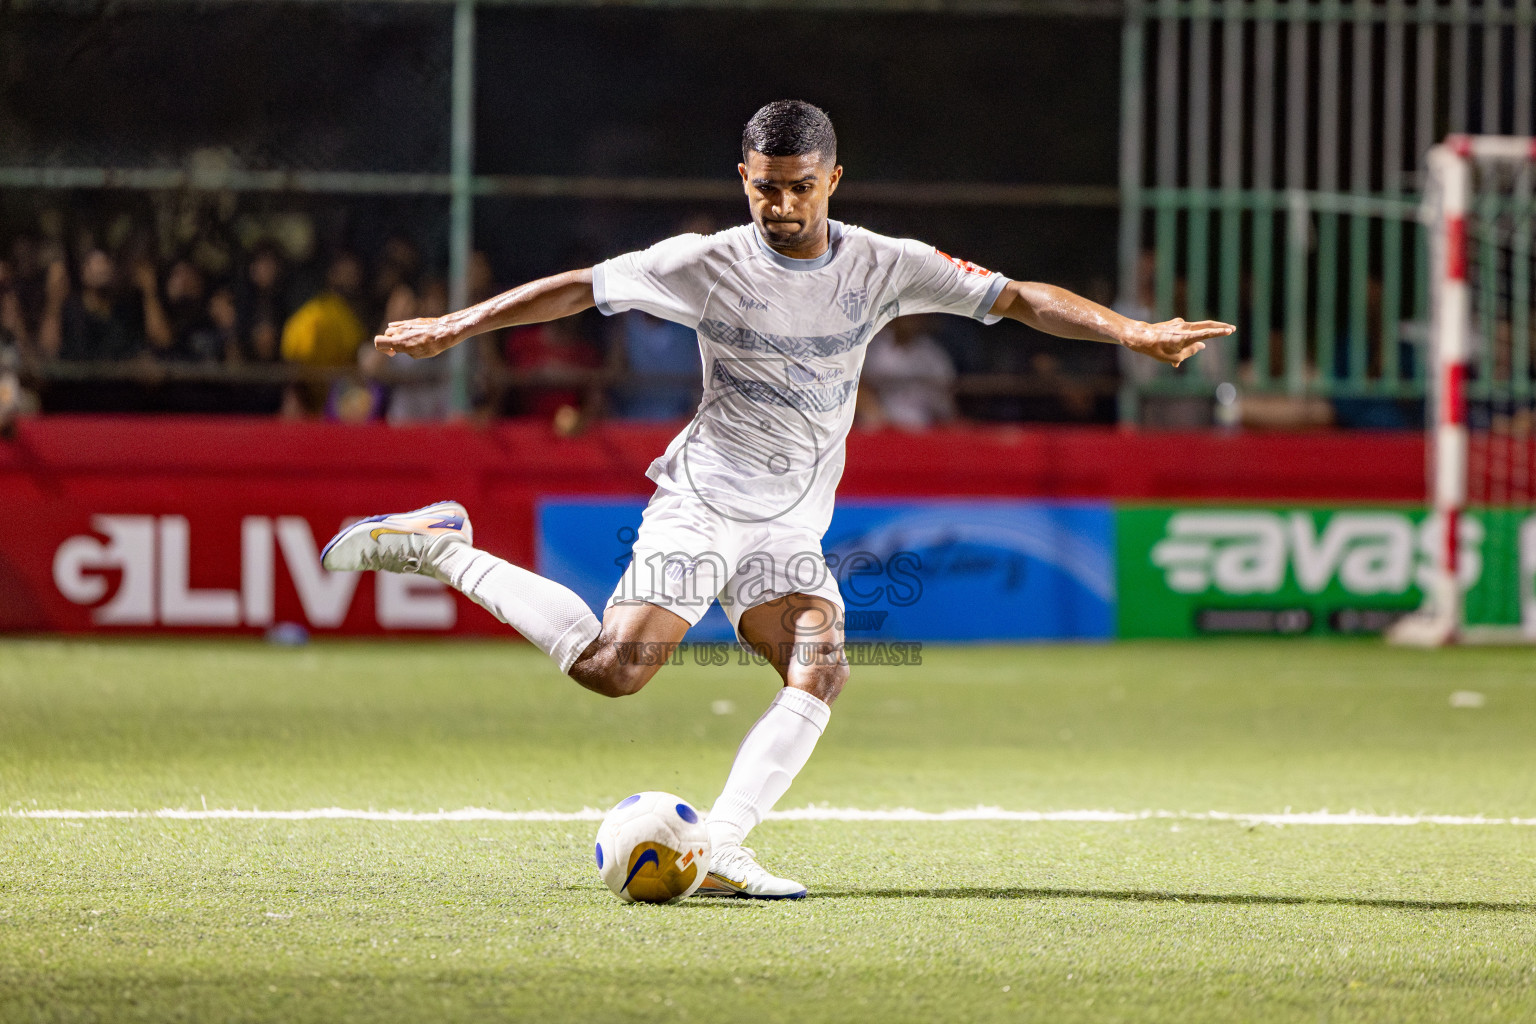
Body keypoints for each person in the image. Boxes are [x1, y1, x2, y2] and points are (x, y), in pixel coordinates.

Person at [320, 100, 1230, 898]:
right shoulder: (708, 263)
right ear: (744, 180)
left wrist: (1131, 332)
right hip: (705, 502)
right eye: (765, 189)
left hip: (790, 525)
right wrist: (458, 325)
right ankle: (443, 543)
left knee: (820, 664)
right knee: (614, 670)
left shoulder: (884, 264)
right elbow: (581, 289)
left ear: (833, 178)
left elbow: (1019, 298)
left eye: (800, 187)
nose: (782, 207)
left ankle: (717, 848)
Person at [857, 315, 955, 430]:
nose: (908, 323)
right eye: (905, 318)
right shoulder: (875, 347)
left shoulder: (932, 354)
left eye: (914, 319)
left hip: (922, 425)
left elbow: (945, 398)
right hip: (879, 424)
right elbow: (858, 384)